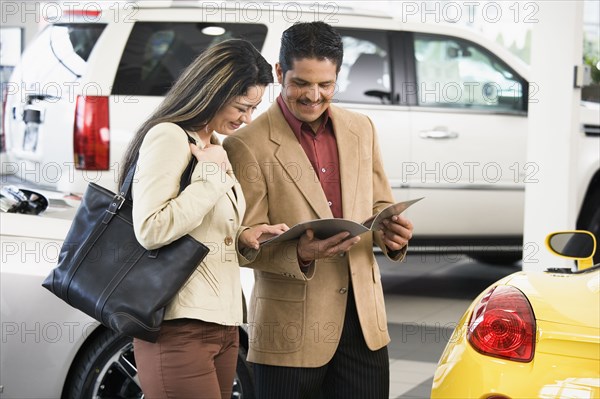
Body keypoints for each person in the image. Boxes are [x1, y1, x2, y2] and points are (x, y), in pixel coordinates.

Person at [223, 22, 414, 399]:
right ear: (279, 73)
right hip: (290, 332)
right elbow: (241, 242)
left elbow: (379, 203)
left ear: (337, 76)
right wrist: (299, 253)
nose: (313, 96)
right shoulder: (247, 144)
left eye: (325, 84)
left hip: (363, 323)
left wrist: (391, 233)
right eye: (301, 83)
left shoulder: (361, 128)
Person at [119, 39, 288, 399]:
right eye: (242, 107)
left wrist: (244, 235)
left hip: (222, 326)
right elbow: (151, 228)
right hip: (179, 328)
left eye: (254, 108)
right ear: (213, 93)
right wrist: (210, 176)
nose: (247, 119)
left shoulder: (214, 146)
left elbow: (201, 225)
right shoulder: (168, 136)